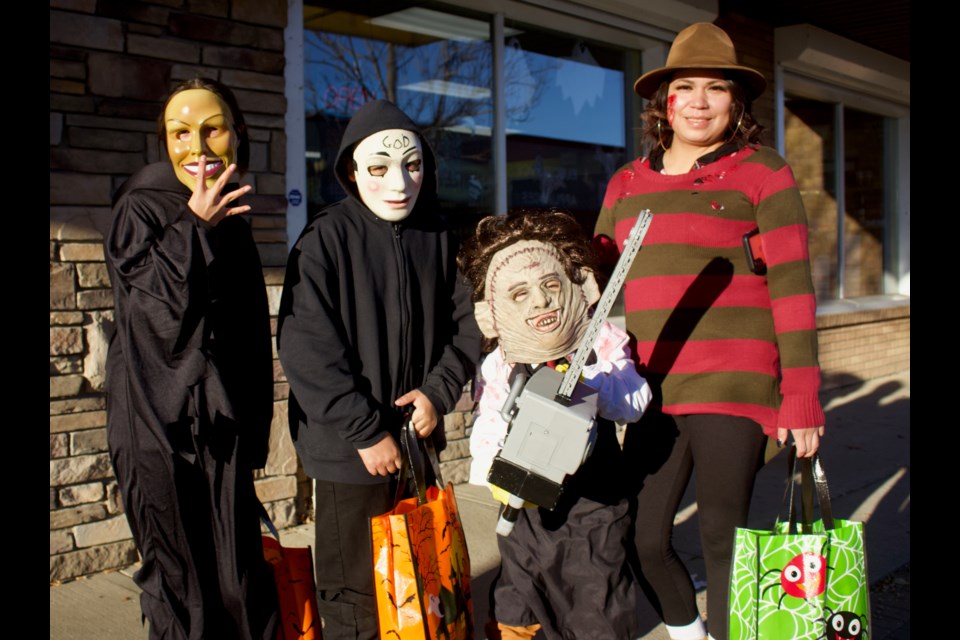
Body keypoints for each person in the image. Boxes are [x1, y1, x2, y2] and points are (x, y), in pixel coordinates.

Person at [593, 22, 826, 640]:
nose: (699, 102)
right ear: (662, 103)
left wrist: (801, 396)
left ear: (736, 102)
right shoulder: (626, 184)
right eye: (685, 88)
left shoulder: (762, 173)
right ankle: (690, 634)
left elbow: (795, 291)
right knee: (642, 536)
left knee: (725, 539)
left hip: (737, 385)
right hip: (651, 391)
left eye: (716, 88)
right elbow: (593, 285)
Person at [276, 99, 481, 639]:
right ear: (350, 170)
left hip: (415, 442)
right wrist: (366, 432)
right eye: (379, 167)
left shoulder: (437, 236)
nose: (399, 181)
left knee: (418, 577)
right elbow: (305, 348)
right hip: (351, 455)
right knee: (354, 592)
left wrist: (437, 394)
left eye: (412, 165)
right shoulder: (324, 240)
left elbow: (467, 327)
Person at [103, 77, 279, 640]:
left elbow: (248, 334)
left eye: (212, 129)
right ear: (164, 141)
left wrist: (253, 430)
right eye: (180, 133)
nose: (197, 148)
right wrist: (194, 227)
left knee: (237, 579)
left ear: (237, 134)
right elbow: (152, 316)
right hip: (162, 433)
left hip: (220, 436)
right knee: (185, 590)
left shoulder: (229, 214)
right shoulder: (143, 206)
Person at [458, 209, 653, 640]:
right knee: (520, 599)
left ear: (581, 286)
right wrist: (495, 472)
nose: (541, 302)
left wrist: (596, 386)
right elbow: (488, 421)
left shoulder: (601, 341)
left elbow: (636, 401)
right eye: (519, 294)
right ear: (491, 315)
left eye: (549, 286)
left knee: (594, 598)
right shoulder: (501, 361)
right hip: (527, 508)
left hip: (594, 503)